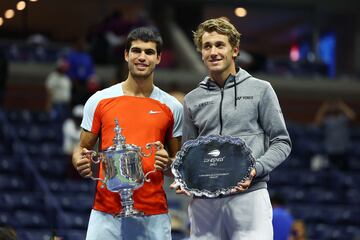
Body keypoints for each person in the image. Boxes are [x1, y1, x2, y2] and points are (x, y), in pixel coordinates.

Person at [172, 17, 291, 240]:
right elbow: (189, 152)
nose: (213, 52)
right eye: (207, 46)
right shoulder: (192, 99)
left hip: (249, 195)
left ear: (234, 50)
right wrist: (185, 176)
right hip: (205, 203)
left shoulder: (261, 90)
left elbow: (282, 142)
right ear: (201, 52)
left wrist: (255, 168)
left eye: (220, 45)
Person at [72, 27, 183, 240]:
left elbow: (177, 164)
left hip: (154, 215)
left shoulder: (172, 107)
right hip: (106, 213)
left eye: (149, 52)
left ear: (159, 58)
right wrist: (79, 161)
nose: (142, 57)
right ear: (126, 55)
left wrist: (167, 163)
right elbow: (82, 149)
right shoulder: (99, 100)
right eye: (136, 51)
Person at [314, 100, 356, 171]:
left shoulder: (343, 119)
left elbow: (353, 116)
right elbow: (317, 122)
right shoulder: (327, 120)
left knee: (344, 172)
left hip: (343, 151)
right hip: (330, 151)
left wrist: (342, 106)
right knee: (331, 172)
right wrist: (323, 109)